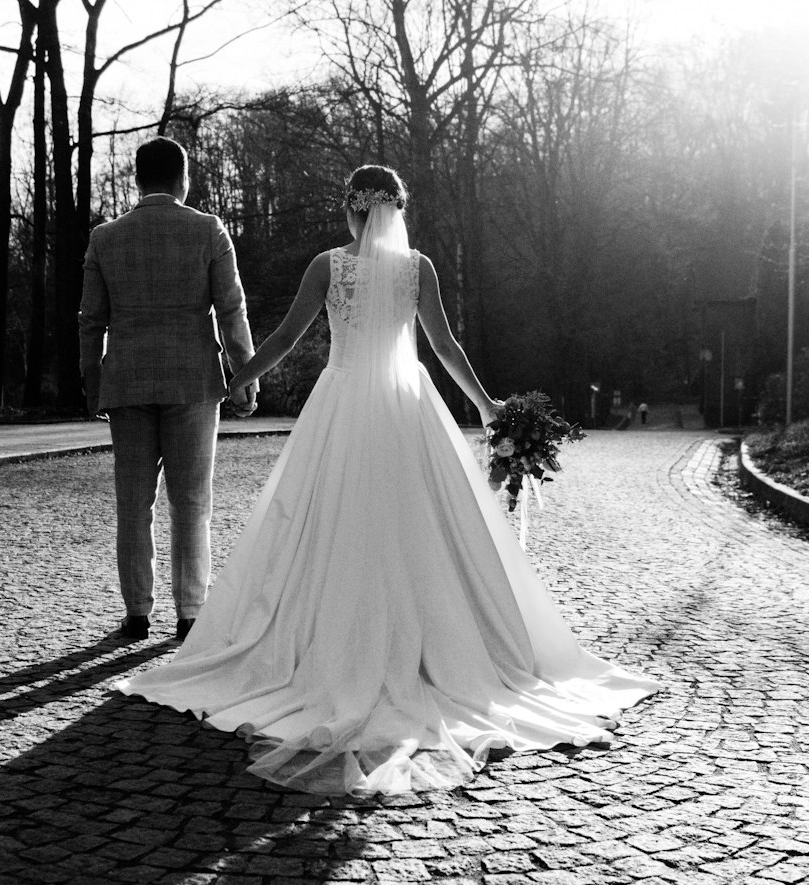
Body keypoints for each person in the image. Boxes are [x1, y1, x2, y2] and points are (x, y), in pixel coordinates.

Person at [117, 165, 658, 796]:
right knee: (423, 528)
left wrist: (237, 379)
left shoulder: (328, 266)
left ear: (350, 210)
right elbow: (446, 347)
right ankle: (436, 652)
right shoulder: (418, 269)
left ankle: (325, 651)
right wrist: (486, 408)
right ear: (397, 211)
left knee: (324, 524)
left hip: (343, 403)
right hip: (407, 407)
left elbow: (288, 337)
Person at [79, 136, 257, 642]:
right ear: (183, 179)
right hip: (193, 379)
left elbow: (91, 321)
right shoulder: (208, 231)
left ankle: (137, 611)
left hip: (128, 380)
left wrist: (93, 382)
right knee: (192, 502)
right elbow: (231, 309)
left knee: (133, 503)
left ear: (137, 180)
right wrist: (244, 377)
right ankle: (190, 612)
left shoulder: (105, 238)